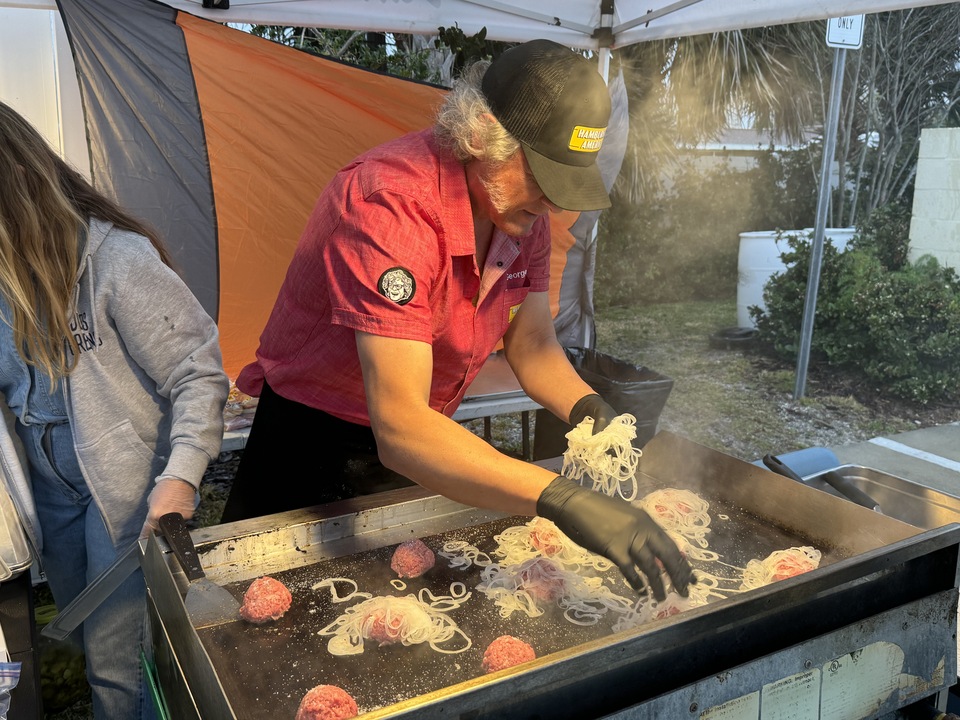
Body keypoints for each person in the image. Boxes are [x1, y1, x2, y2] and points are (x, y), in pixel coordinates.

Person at [222, 39, 694, 601]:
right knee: (281, 623)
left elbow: (535, 340)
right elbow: (398, 426)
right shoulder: (389, 204)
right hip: (311, 446)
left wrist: (589, 408)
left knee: (401, 613)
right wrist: (561, 497)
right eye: (543, 175)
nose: (552, 201)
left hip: (424, 439)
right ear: (480, 134)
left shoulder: (522, 214)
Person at [0, 100, 229, 719]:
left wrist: (180, 477)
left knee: (114, 667)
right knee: (90, 636)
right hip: (50, 491)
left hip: (125, 494)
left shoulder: (117, 261)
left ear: (18, 184)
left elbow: (199, 374)